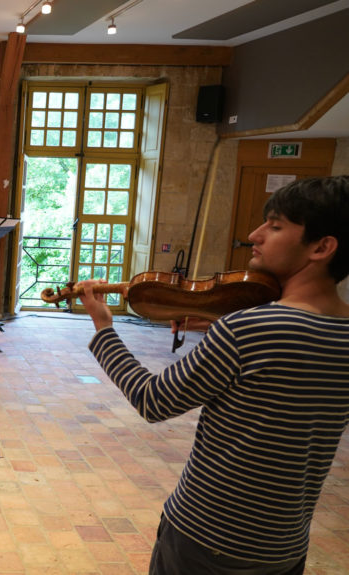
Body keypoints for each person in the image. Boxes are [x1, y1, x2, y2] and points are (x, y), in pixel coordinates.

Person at [77, 176, 349, 574]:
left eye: (275, 226)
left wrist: (104, 328)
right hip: (284, 545)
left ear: (322, 247)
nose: (254, 235)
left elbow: (153, 401)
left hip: (206, 537)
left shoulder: (247, 329)